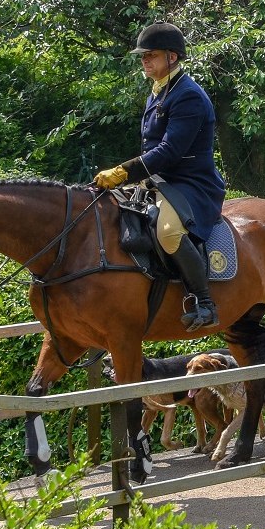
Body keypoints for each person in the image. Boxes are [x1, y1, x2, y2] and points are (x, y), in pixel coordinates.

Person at [94, 22, 227, 330]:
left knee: (168, 232)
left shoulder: (188, 95)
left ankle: (205, 303)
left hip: (192, 184)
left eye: (150, 55)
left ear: (171, 57)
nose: (144, 61)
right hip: (159, 181)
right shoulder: (159, 91)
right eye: (143, 56)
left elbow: (169, 152)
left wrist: (123, 171)